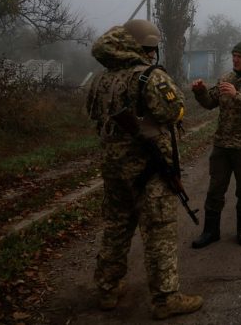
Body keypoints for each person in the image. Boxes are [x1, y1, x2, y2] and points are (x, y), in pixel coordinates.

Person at [85, 19, 203, 320]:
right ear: (147, 47)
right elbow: (173, 109)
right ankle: (165, 298)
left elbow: (93, 114)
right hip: (149, 168)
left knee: (115, 227)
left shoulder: (102, 78)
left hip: (113, 167)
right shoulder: (149, 77)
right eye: (152, 48)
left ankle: (108, 289)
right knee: (159, 230)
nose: (153, 53)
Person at [190, 40, 241, 249]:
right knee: (215, 189)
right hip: (222, 144)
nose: (235, 59)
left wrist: (238, 96)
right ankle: (210, 231)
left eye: (239, 56)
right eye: (233, 55)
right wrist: (200, 91)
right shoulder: (226, 78)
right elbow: (210, 103)